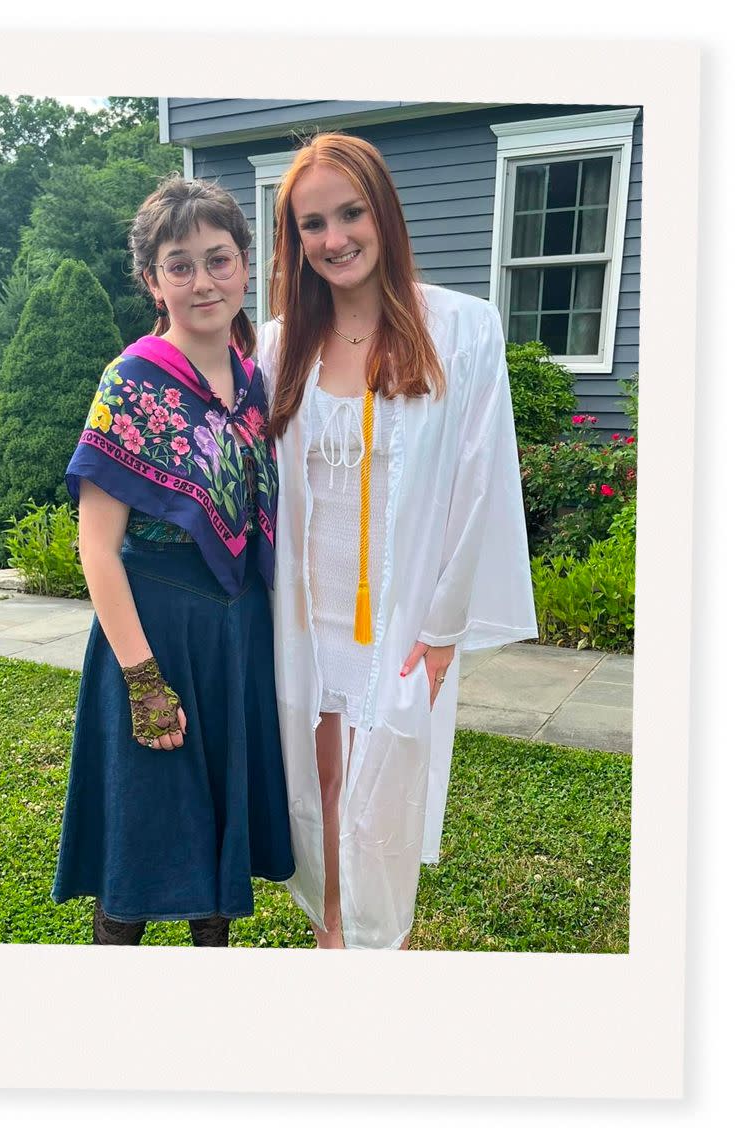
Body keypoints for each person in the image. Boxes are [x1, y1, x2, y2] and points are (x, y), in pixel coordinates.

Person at [256, 133, 537, 950]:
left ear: (383, 212)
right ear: (294, 240)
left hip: (403, 614)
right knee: (316, 786)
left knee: (385, 788)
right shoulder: (278, 345)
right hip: (304, 619)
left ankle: (384, 947)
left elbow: (480, 482)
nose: (334, 238)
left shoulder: (461, 328)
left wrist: (445, 622)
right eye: (312, 224)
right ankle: (329, 931)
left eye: (350, 213)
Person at [51, 176, 294, 947]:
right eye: (178, 264)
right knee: (141, 845)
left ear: (244, 265)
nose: (202, 281)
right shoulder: (132, 381)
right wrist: (143, 679)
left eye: (217, 259)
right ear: (151, 280)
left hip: (233, 635)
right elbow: (96, 547)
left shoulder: (253, 379)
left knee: (215, 855)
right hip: (153, 636)